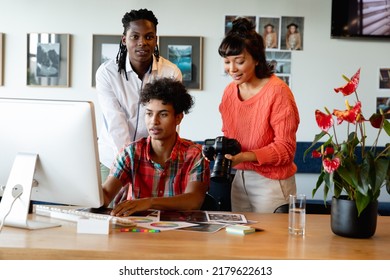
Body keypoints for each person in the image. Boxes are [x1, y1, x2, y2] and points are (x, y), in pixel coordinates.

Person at [217, 17, 300, 213]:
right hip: (239, 178)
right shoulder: (230, 92)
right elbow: (231, 136)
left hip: (272, 181)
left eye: (239, 61)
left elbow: (286, 148)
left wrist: (246, 156)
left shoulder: (277, 91)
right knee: (242, 240)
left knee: (273, 242)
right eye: (227, 62)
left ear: (256, 59)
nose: (232, 69)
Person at [96, 9, 182, 187]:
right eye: (135, 36)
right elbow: (115, 123)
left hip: (156, 161)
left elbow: (170, 122)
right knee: (110, 213)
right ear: (124, 39)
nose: (142, 43)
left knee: (151, 213)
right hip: (112, 159)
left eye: (149, 37)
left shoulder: (171, 73)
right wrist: (131, 163)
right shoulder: (107, 73)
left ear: (156, 39)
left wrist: (154, 161)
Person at [102, 78, 210, 216]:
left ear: (178, 118)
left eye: (163, 114)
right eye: (149, 113)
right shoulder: (130, 153)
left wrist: (149, 202)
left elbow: (194, 200)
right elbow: (106, 193)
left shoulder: (195, 154)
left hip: (179, 233)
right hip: (134, 233)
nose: (154, 121)